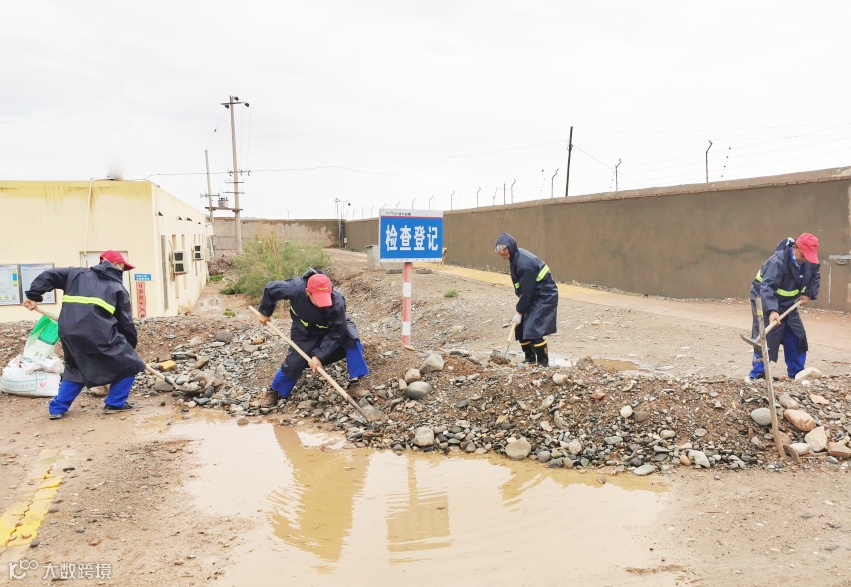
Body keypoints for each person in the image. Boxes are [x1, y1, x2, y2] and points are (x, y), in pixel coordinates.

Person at [23, 250, 146, 419]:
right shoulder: (118, 288)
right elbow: (125, 322)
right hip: (100, 334)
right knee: (129, 364)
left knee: (75, 367)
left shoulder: (75, 274)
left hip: (69, 332)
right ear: (116, 265)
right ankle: (115, 403)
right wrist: (129, 347)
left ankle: (57, 409)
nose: (123, 271)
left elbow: (49, 275)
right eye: (123, 267)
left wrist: (33, 295)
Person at [256, 268, 369, 406]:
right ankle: (275, 391)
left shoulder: (337, 301)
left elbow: (337, 333)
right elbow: (271, 289)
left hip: (332, 329)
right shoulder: (295, 288)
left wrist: (319, 355)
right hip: (304, 330)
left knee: (351, 339)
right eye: (318, 298)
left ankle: (355, 384)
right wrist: (265, 312)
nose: (323, 304)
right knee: (295, 360)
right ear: (308, 292)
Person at [748, 233, 820, 380]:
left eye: (809, 256)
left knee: (796, 335)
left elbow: (815, 275)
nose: (805, 258)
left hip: (789, 303)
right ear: (795, 248)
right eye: (803, 254)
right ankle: (759, 374)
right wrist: (772, 310)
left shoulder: (809, 261)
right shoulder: (777, 262)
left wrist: (809, 294)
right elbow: (767, 287)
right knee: (766, 337)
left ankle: (797, 374)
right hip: (764, 299)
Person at [494, 233, 558, 367]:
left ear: (510, 247)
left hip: (544, 295)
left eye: (503, 249)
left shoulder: (524, 263)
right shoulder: (514, 259)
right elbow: (521, 288)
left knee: (534, 329)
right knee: (520, 328)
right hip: (534, 295)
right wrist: (522, 307)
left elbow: (527, 291)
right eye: (498, 250)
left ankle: (543, 363)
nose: (501, 252)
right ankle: (530, 358)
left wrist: (520, 311)